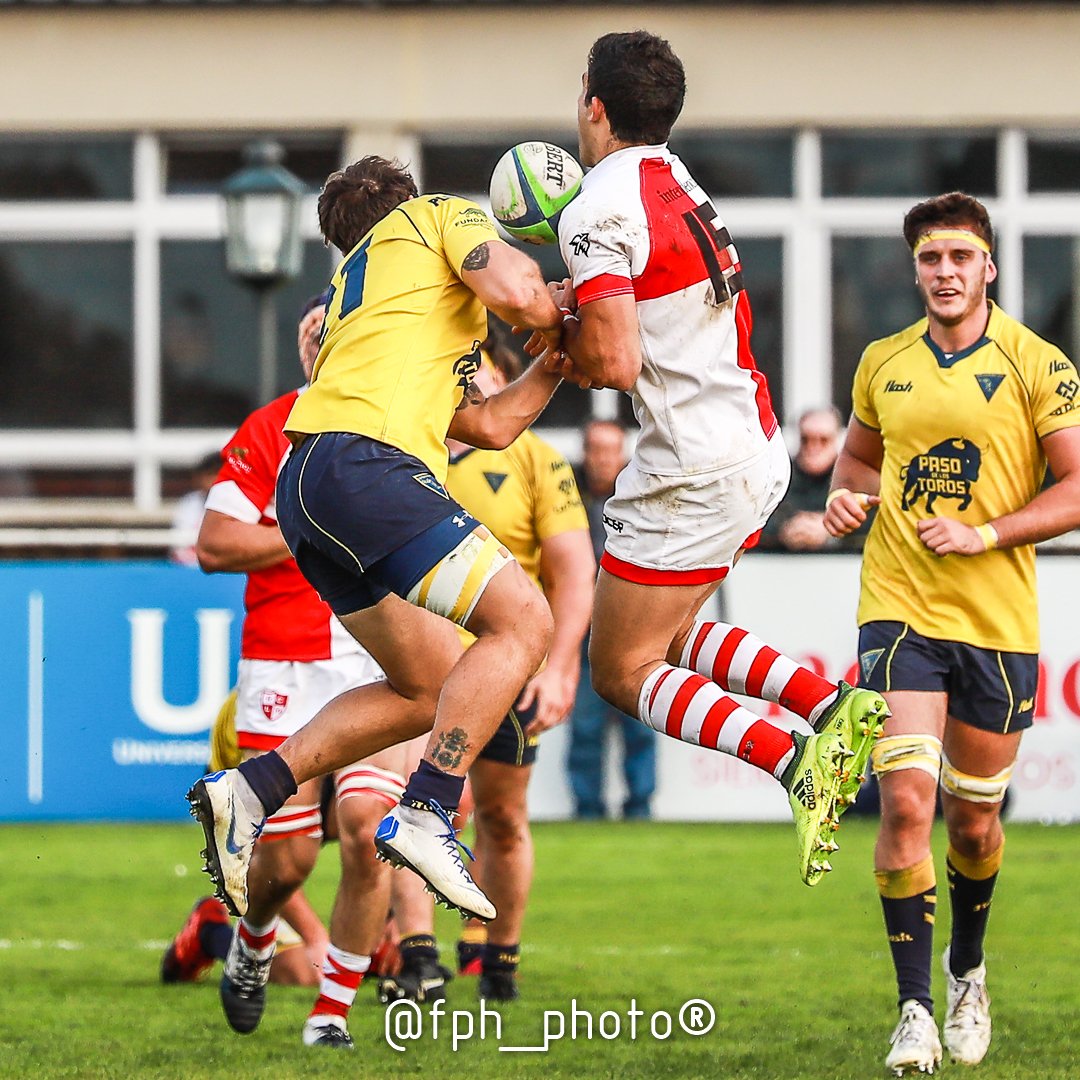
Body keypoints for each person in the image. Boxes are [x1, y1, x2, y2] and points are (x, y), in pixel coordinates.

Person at [534, 30, 890, 886]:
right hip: (746, 442)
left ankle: (793, 758)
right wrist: (582, 305)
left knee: (620, 669)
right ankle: (830, 706)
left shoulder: (595, 206)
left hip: (691, 466)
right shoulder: (677, 177)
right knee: (666, 630)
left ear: (593, 103)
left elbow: (615, 364)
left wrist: (554, 325)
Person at [188, 157, 568, 955]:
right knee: (524, 621)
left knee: (429, 684)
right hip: (368, 466)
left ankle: (253, 789)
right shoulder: (434, 215)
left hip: (308, 485)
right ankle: (429, 808)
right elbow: (514, 289)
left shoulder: (378, 304)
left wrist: (552, 362)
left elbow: (490, 425)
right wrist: (563, 306)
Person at [824, 192, 1080, 1075]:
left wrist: (987, 532)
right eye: (930, 259)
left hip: (997, 622)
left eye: (959, 259)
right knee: (903, 801)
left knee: (974, 828)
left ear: (988, 269)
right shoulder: (882, 363)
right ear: (916, 269)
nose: (944, 273)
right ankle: (914, 1013)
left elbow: (1077, 485)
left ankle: (967, 968)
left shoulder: (1037, 363)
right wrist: (844, 494)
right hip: (898, 605)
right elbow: (855, 458)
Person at [190, 296, 411, 1050]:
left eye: (335, 328)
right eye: (312, 332)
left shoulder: (394, 422)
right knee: (286, 862)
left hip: (375, 655)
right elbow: (216, 544)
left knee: (367, 829)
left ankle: (330, 1015)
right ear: (300, 349)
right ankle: (254, 941)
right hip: (283, 658)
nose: (324, 340)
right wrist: (304, 530)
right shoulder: (266, 430)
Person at [380, 330, 594, 1003]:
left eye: (483, 368)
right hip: (422, 665)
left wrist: (559, 668)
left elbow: (572, 572)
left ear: (503, 378)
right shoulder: (400, 451)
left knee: (502, 817)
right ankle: (418, 962)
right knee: (415, 805)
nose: (472, 379)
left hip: (502, 670)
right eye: (459, 366)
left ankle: (497, 959)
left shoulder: (536, 459)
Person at [567, 418, 656, 820]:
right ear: (585, 453)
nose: (603, 458)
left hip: (635, 627)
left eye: (610, 449)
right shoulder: (564, 494)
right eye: (596, 449)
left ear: (622, 453)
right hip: (582, 627)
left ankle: (640, 806)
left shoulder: (643, 493)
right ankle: (587, 809)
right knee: (585, 726)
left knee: (641, 722)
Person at [761, 406, 860, 553]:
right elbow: (755, 519)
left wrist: (832, 529)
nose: (813, 447)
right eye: (806, 439)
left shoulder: (853, 479)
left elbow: (870, 522)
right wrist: (785, 529)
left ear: (836, 440)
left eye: (823, 440)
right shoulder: (777, 477)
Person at [169, 452, 220, 565]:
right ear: (199, 478)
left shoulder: (236, 505)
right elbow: (179, 544)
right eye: (210, 475)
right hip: (188, 567)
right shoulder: (189, 503)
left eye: (218, 474)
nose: (214, 480)